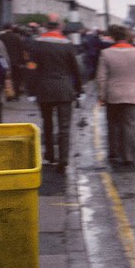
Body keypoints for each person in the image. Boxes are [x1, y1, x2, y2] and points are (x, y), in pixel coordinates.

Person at [28, 20, 82, 172]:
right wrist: (79, 89)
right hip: (64, 89)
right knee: (64, 126)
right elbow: (76, 69)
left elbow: (31, 67)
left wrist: (31, 90)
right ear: (60, 28)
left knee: (47, 122)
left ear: (45, 27)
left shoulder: (36, 44)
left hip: (44, 88)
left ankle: (50, 155)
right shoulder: (67, 44)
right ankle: (63, 160)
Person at [96, 25, 135, 170]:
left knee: (112, 123)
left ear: (113, 37)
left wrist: (101, 95)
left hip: (112, 93)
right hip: (132, 93)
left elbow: (101, 77)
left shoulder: (105, 53)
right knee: (129, 124)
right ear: (127, 37)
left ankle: (113, 152)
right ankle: (128, 156)